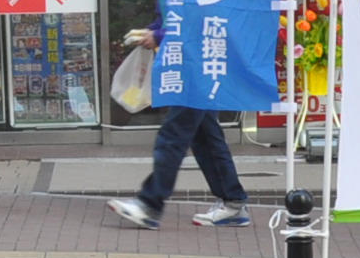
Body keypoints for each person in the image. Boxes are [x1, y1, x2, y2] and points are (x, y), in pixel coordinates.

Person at [107, 22, 253, 231]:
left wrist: (158, 33)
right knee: (206, 135)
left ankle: (150, 205)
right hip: (196, 61)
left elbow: (194, 15)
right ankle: (233, 202)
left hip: (195, 62)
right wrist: (155, 31)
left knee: (173, 136)